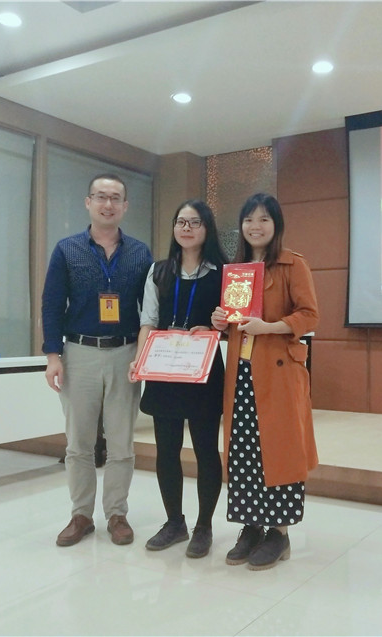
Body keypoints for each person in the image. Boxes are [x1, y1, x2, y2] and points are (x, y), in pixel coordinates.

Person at [42, 173, 152, 547]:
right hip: (79, 353)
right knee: (79, 443)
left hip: (125, 353)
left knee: (121, 442)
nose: (108, 204)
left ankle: (117, 514)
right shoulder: (67, 249)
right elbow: (52, 304)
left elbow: (150, 309)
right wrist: (53, 356)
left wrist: (146, 354)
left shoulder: (140, 253)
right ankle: (81, 515)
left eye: (115, 198)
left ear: (125, 206)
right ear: (88, 202)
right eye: (101, 197)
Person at [210, 193, 319, 571]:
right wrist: (221, 321)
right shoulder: (237, 270)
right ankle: (251, 526)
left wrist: (270, 327)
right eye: (248, 220)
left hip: (279, 373)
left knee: (278, 449)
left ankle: (279, 533)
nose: (255, 226)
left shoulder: (293, 264)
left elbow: (310, 315)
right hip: (241, 372)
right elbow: (236, 322)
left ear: (276, 225)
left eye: (263, 219)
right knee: (244, 449)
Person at [129, 200, 227, 559]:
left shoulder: (223, 272)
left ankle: (204, 526)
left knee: (205, 450)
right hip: (164, 367)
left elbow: (233, 323)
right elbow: (148, 321)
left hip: (203, 369)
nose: (187, 228)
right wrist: (140, 360)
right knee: (166, 450)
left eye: (195, 222)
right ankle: (174, 522)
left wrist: (219, 326)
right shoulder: (158, 271)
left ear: (207, 228)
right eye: (181, 222)